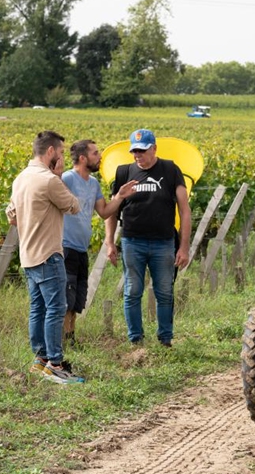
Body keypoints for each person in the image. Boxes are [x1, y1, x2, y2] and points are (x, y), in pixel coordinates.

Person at [6, 130, 84, 384]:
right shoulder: (49, 180)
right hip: (49, 253)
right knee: (56, 308)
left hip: (28, 254)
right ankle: (55, 363)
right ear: (50, 152)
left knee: (37, 308)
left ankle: (39, 360)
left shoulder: (21, 178)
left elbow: (12, 216)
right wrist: (59, 176)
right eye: (60, 153)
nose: (62, 157)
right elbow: (74, 206)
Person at [104, 129, 192, 348]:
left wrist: (183, 247)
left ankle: (165, 339)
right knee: (132, 291)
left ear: (154, 149)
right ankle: (136, 341)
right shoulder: (124, 172)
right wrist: (109, 242)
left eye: (142, 151)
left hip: (164, 242)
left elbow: (185, 210)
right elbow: (113, 210)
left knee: (164, 291)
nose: (137, 156)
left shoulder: (170, 170)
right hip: (133, 242)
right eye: (134, 151)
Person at [61, 139, 137, 346]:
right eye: (95, 153)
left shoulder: (93, 183)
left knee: (77, 299)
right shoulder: (66, 178)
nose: (100, 157)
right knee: (66, 297)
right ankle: (64, 342)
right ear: (83, 158)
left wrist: (120, 196)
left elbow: (104, 212)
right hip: (64, 247)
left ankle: (70, 338)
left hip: (80, 248)